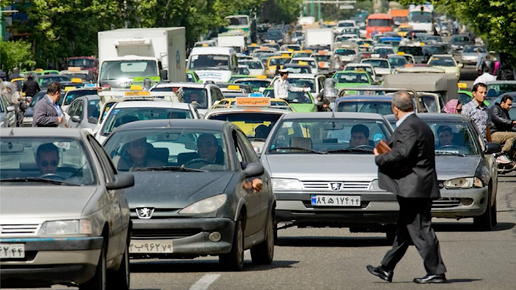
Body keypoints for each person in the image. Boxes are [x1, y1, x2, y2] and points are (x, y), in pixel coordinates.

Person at [367, 91, 447, 284]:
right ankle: (386, 268)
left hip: (414, 188)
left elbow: (401, 154)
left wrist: (379, 157)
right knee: (403, 231)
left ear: (395, 109)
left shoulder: (409, 127)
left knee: (421, 230)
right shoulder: (419, 124)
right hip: (416, 187)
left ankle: (436, 271)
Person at [489, 94, 516, 164]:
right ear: (503, 103)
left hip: (502, 134)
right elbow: (497, 119)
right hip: (494, 134)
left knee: (511, 139)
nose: (510, 107)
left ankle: (509, 158)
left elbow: (509, 127)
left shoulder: (505, 112)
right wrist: (512, 122)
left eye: (511, 105)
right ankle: (501, 154)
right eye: (509, 104)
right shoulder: (495, 108)